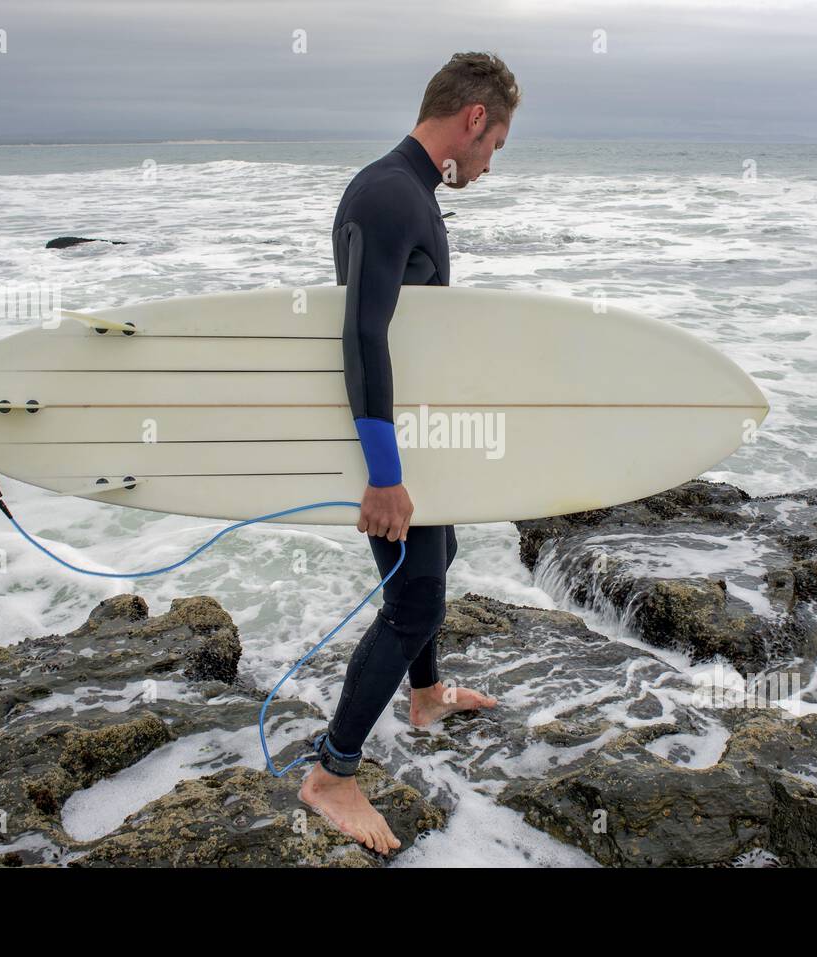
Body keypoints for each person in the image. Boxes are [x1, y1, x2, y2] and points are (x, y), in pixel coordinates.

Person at [297, 52, 521, 856]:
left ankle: (424, 698)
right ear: (472, 120)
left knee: (437, 555)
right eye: (496, 143)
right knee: (414, 601)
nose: (491, 162)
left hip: (408, 433)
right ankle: (332, 772)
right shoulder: (393, 196)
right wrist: (385, 475)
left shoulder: (399, 188)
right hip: (387, 442)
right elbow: (363, 335)